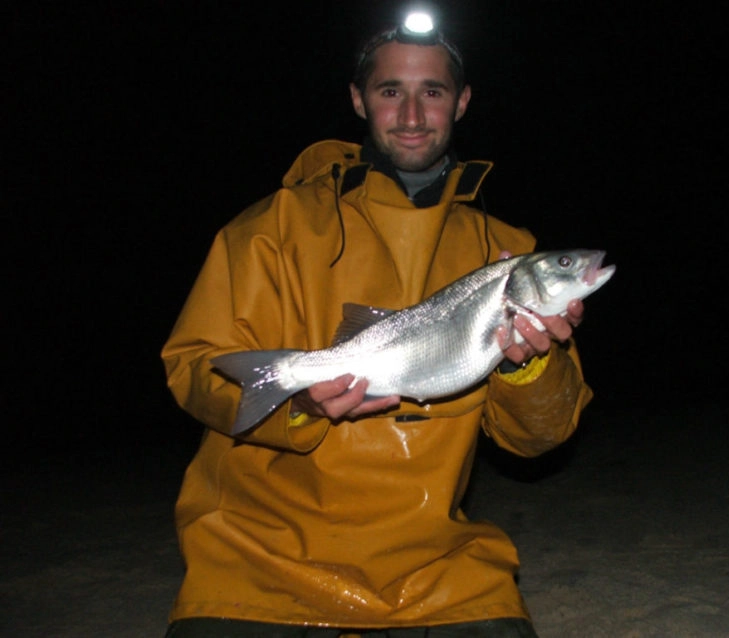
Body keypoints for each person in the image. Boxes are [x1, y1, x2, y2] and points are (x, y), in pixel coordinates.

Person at [161, 12, 594, 638]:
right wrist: (300, 402)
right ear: (359, 99)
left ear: (462, 102)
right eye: (391, 91)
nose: (413, 115)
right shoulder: (271, 229)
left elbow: (542, 438)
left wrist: (528, 363)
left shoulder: (507, 250)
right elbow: (193, 363)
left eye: (433, 92)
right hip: (261, 558)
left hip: (437, 567)